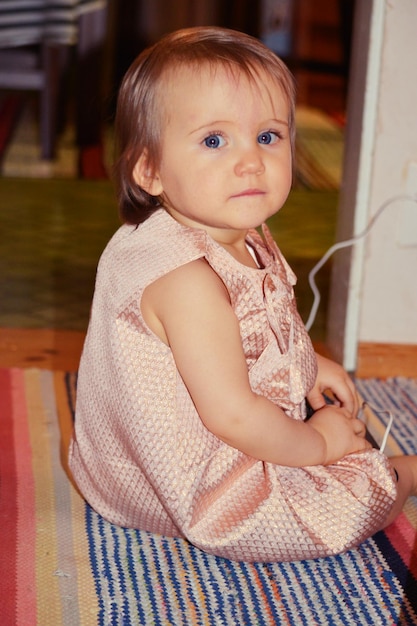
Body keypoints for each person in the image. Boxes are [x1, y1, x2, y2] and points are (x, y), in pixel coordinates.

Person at [69, 26, 417, 563]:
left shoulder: (223, 230)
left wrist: (308, 361)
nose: (250, 160)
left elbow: (257, 325)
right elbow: (234, 417)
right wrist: (320, 445)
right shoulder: (187, 281)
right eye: (214, 140)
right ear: (150, 169)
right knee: (334, 503)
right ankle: (402, 476)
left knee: (313, 426)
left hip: (122, 468)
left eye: (269, 136)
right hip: (195, 495)